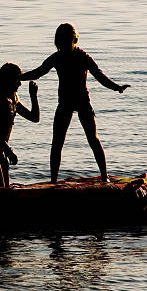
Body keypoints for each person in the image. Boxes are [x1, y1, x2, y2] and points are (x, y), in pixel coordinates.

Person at [19, 23, 130, 183]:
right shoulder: (56, 57)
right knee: (57, 142)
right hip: (64, 102)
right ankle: (53, 180)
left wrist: (117, 88)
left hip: (82, 101)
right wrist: (20, 77)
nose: (63, 47)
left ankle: (105, 176)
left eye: (66, 43)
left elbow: (99, 75)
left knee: (93, 139)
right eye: (60, 44)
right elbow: (39, 72)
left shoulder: (82, 56)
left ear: (74, 40)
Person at [0, 62, 40, 187]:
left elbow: (34, 118)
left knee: (4, 189)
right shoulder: (0, 101)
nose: (20, 83)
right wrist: (9, 152)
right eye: (18, 79)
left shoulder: (13, 99)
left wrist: (34, 97)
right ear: (9, 80)